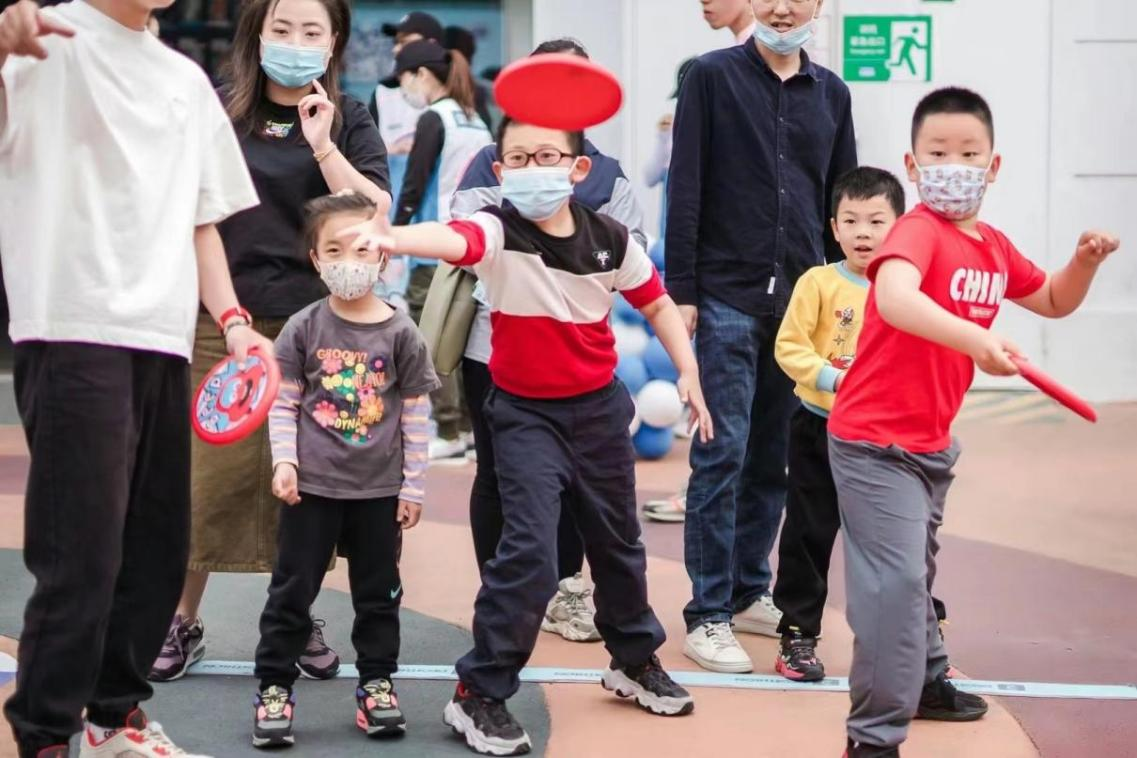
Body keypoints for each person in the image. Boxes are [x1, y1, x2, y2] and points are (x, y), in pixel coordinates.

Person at [341, 113, 712, 756]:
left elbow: (655, 302)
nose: (531, 169)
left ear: (578, 168)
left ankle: (632, 659)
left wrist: (689, 371)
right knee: (531, 553)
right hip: (524, 414)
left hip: (599, 410)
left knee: (619, 542)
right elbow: (452, 238)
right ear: (500, 168)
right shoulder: (497, 230)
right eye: (517, 158)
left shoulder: (610, 238)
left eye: (546, 156)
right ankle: (478, 692)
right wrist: (391, 237)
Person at [0, 1, 269, 756]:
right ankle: (46, 735)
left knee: (156, 549)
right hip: (71, 326)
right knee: (81, 555)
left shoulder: (184, 79)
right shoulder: (40, 42)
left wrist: (235, 322)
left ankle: (112, 720)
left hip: (164, 339)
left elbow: (200, 219)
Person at [828, 87, 1120, 757]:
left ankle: (927, 683)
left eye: (968, 154)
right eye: (937, 154)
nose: (952, 166)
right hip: (873, 444)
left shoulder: (992, 247)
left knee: (914, 572)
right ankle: (872, 740)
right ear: (912, 165)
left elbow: (1052, 299)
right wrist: (975, 339)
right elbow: (895, 298)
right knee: (894, 587)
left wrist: (1083, 264)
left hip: (931, 443)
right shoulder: (915, 232)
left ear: (993, 167)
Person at [153, 0, 390, 685]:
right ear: (256, 36)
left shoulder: (349, 118)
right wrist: (224, 315)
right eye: (281, 29)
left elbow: (375, 212)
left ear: (334, 42)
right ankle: (180, 619)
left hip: (319, 325)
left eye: (311, 31)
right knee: (205, 478)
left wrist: (322, 143)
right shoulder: (217, 111)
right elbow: (185, 211)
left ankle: (295, 615)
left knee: (307, 483)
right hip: (219, 319)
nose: (294, 41)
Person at [667, 0, 857, 674]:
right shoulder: (710, 77)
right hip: (726, 293)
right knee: (721, 453)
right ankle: (707, 613)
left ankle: (749, 590)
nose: (782, 7)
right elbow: (685, 184)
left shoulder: (832, 93)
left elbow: (842, 202)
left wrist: (843, 295)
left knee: (775, 457)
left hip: (803, 302)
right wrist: (683, 291)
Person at [450, 37, 648, 644]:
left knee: (579, 489)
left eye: (576, 81)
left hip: (574, 358)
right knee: (497, 474)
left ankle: (565, 588)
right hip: (492, 347)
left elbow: (631, 255)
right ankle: (501, 591)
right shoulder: (492, 160)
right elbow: (468, 235)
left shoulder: (605, 172)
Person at [250, 191, 438, 749]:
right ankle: (274, 687)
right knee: (291, 592)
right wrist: (285, 461)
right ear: (315, 259)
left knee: (378, 595)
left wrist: (413, 486)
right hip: (312, 489)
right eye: (333, 250)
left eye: (360, 248)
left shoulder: (402, 332)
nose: (348, 261)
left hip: (379, 493)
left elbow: (416, 414)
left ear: (383, 254)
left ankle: (377, 683)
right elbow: (283, 402)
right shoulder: (303, 327)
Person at [770, 167, 905, 681]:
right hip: (818, 428)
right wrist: (832, 378)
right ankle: (797, 635)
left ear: (900, 226)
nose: (862, 232)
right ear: (834, 227)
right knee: (808, 532)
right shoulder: (819, 282)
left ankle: (917, 639)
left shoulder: (907, 288)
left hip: (885, 437)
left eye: (876, 221)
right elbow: (789, 346)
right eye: (851, 220)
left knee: (895, 540)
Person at [642, 0, 757, 526]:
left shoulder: (780, 71)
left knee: (743, 422)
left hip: (744, 273)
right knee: (724, 415)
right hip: (708, 266)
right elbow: (676, 183)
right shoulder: (717, 69)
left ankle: (728, 522)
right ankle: (712, 510)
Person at [385, 38, 491, 459]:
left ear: (422, 75)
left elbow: (413, 185)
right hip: (476, 244)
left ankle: (448, 431)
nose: (404, 90)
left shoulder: (434, 118)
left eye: (404, 80)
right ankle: (468, 429)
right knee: (467, 339)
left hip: (435, 245)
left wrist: (393, 235)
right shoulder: (475, 118)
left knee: (433, 336)